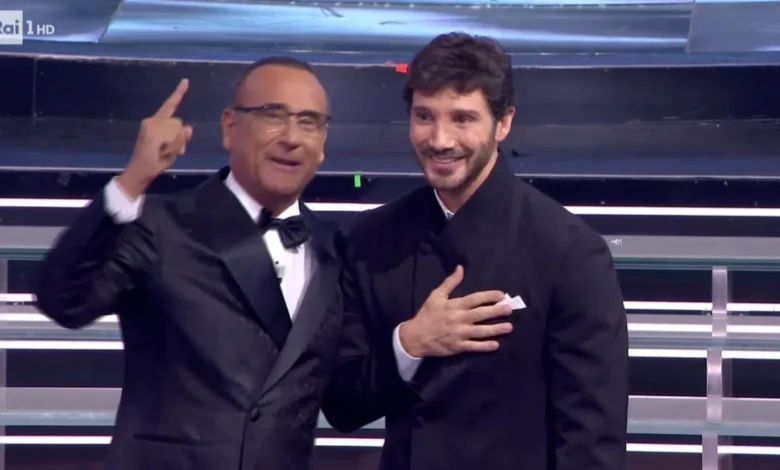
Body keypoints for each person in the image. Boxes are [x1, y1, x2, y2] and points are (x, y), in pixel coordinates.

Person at [322, 33, 628, 470]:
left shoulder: (569, 252)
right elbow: (342, 404)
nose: (440, 140)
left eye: (463, 119)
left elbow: (591, 445)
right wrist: (409, 344)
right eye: (424, 117)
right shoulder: (372, 238)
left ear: (503, 123)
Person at [33, 57, 345, 470]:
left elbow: (346, 399)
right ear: (230, 126)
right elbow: (63, 301)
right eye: (273, 116)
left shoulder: (335, 250)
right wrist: (133, 179)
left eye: (309, 122)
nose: (291, 137)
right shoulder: (162, 225)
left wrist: (407, 345)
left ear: (322, 143)